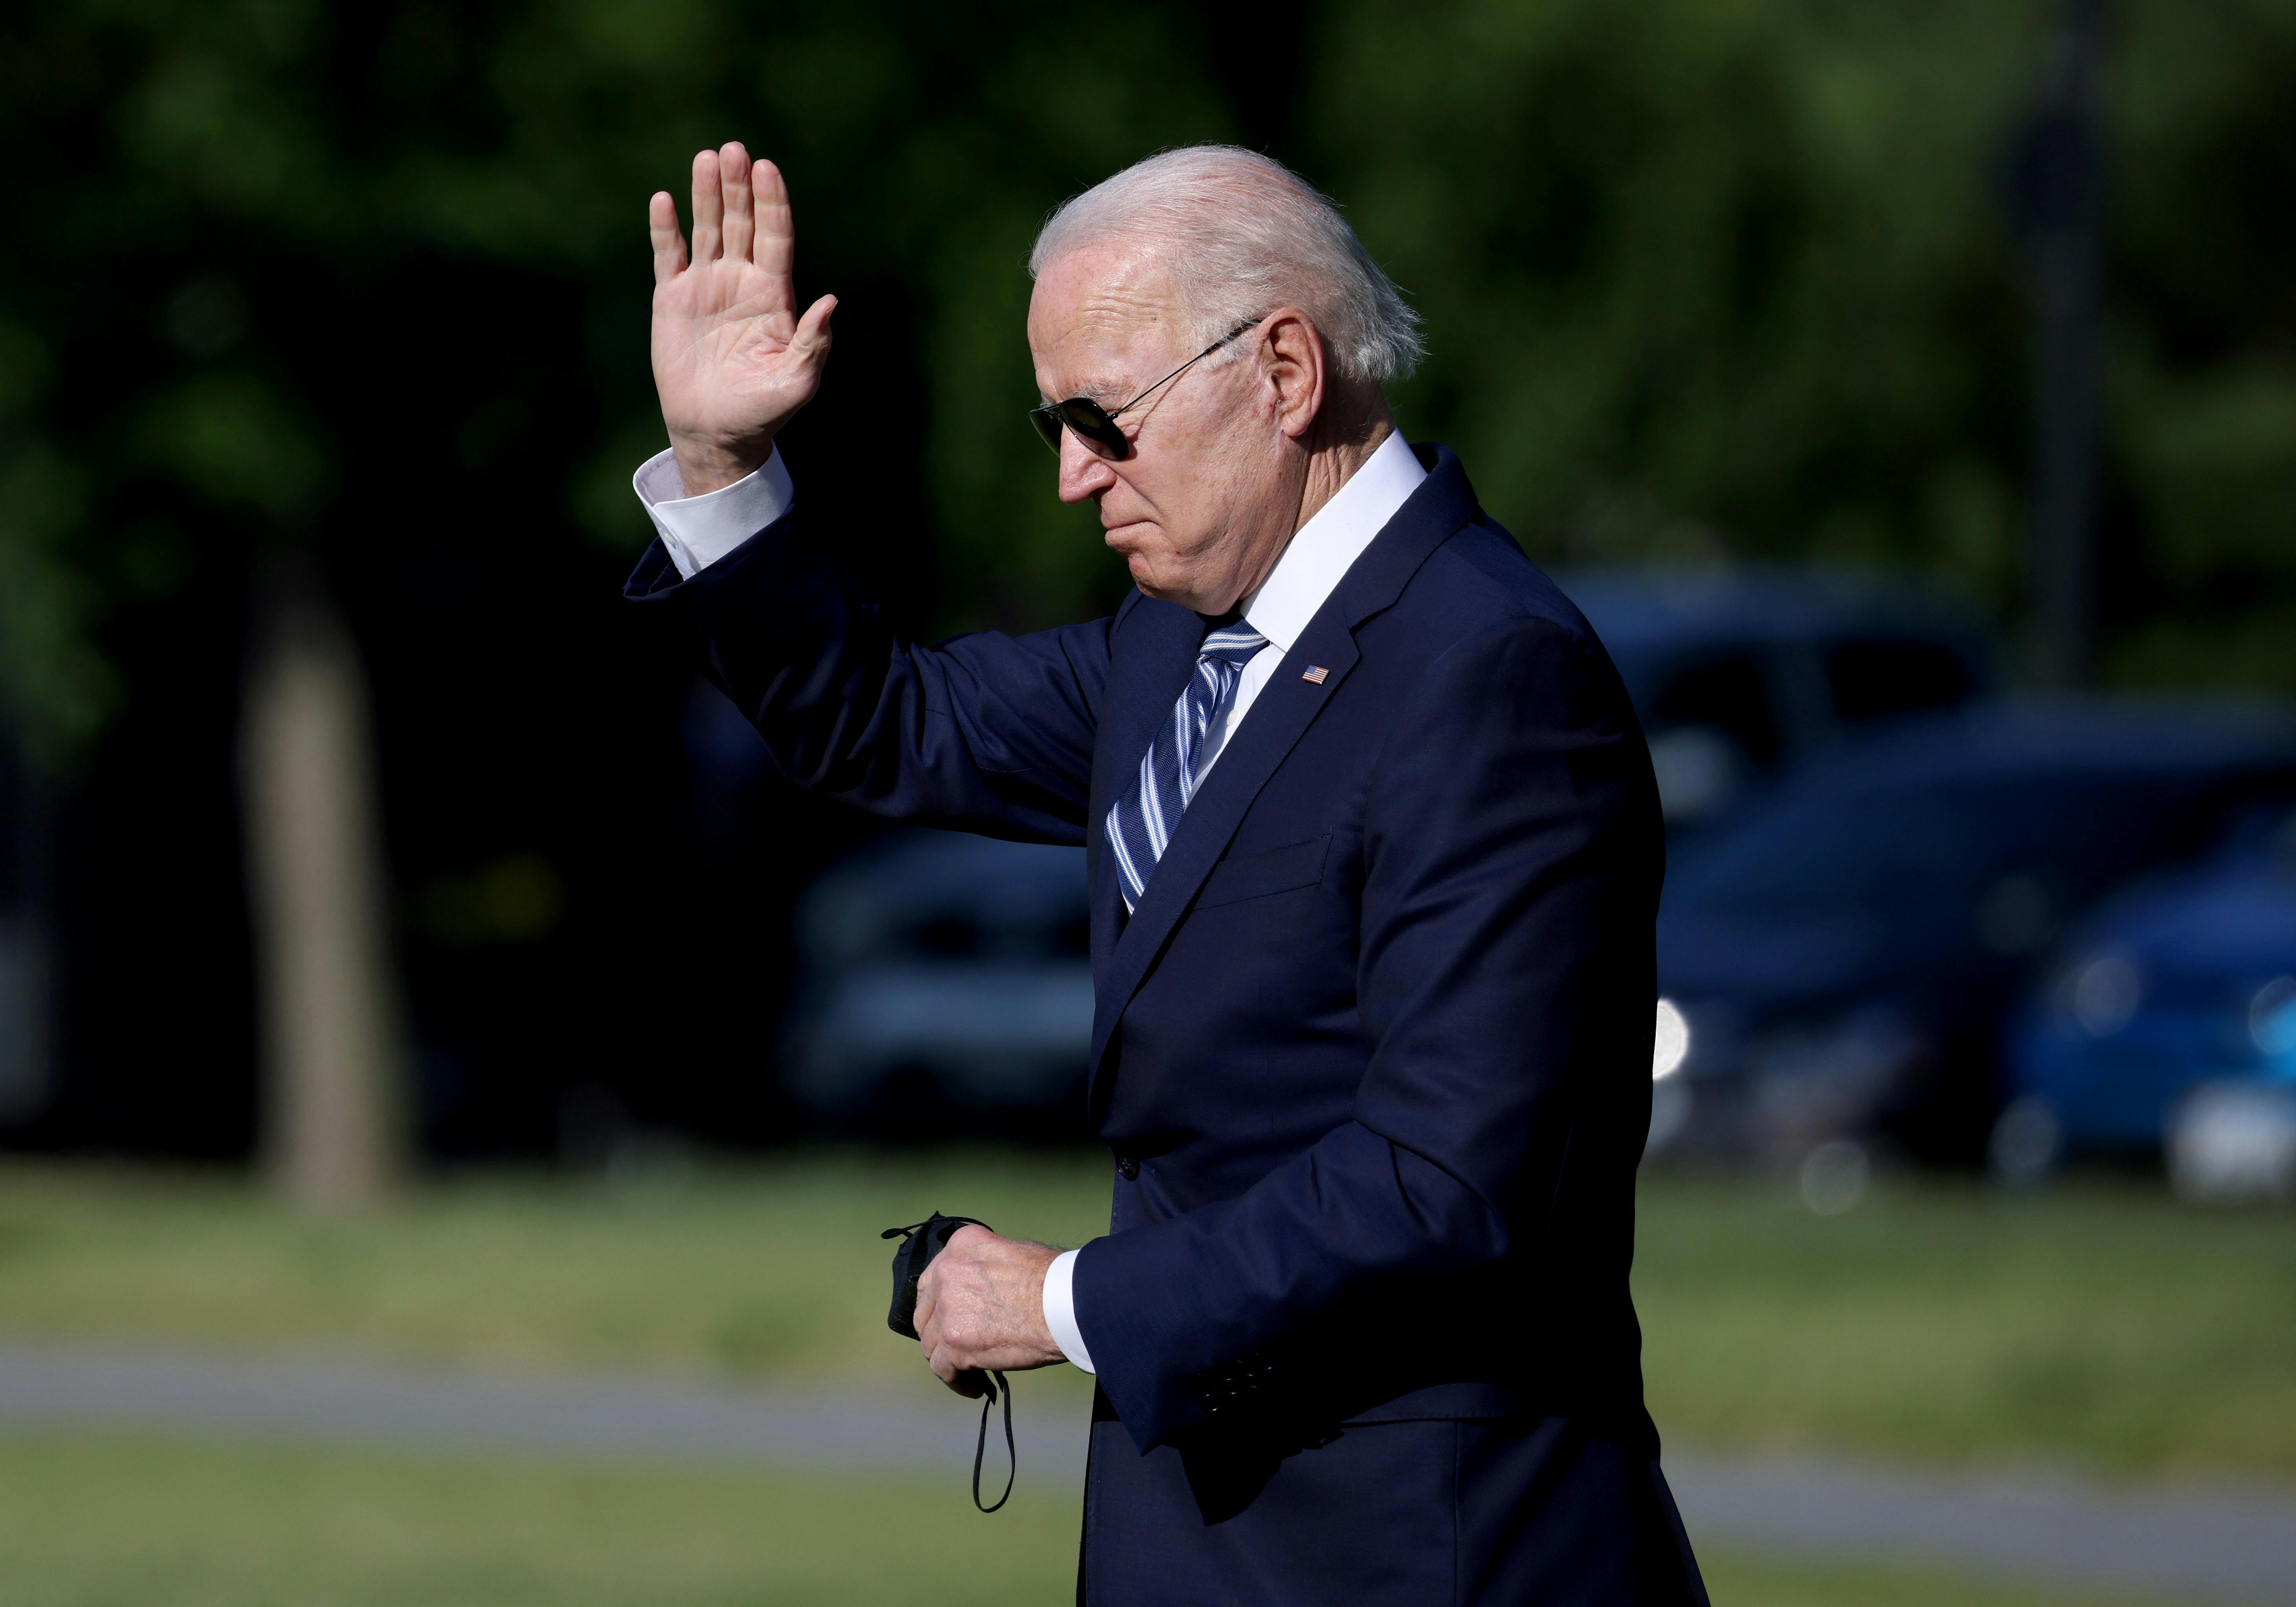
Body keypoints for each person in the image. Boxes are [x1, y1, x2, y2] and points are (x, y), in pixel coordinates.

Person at [627, 140, 1709, 1605]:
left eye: (1103, 416)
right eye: (1052, 420)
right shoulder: (1182, 642)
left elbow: (1447, 1180)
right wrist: (721, 463)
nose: (1075, 474)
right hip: (1198, 1532)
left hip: (1426, 1548)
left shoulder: (1492, 673)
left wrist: (1067, 1299)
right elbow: (885, 720)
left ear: (1281, 372)